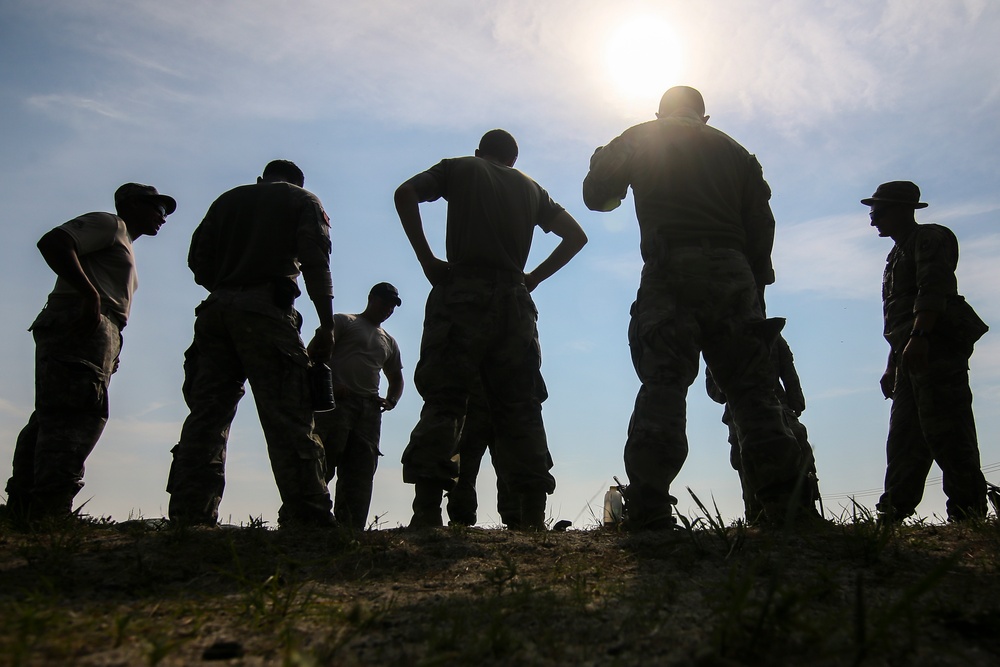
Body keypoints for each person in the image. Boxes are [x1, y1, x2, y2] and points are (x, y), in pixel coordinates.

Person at [583, 86, 813, 529]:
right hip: (735, 272)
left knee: (665, 385)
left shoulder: (640, 136)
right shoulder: (737, 152)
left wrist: (602, 161)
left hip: (672, 270)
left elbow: (599, 198)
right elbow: (762, 226)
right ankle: (786, 508)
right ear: (704, 117)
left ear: (661, 112)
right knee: (753, 393)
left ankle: (649, 508)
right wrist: (756, 288)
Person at [395, 129, 587, 530]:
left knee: (446, 399)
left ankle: (427, 510)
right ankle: (532, 515)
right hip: (515, 302)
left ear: (480, 152)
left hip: (462, 292)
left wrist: (427, 259)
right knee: (522, 408)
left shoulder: (461, 168)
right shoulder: (533, 189)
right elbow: (576, 235)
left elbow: (405, 193)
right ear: (513, 160)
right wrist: (531, 278)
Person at [166, 160, 337, 528]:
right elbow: (315, 260)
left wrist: (230, 284)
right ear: (296, 181)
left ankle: (189, 514)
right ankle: (309, 518)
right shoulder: (302, 200)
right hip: (267, 312)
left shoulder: (227, 201)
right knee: (288, 416)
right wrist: (326, 323)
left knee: (206, 416)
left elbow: (198, 262)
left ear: (262, 179)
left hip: (215, 311)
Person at [5, 183, 175, 524]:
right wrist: (89, 295)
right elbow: (54, 242)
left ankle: (26, 506)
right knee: (77, 414)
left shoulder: (122, 240)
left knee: (53, 415)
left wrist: (111, 345)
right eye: (157, 207)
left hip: (98, 328)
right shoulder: (111, 224)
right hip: (82, 321)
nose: (163, 217)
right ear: (132, 204)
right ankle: (50, 509)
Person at [862, 181, 989, 522]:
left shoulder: (930, 237)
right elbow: (898, 317)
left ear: (903, 210)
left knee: (948, 431)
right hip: (911, 354)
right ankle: (892, 514)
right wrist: (893, 364)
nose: (873, 220)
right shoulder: (896, 254)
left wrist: (920, 336)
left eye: (879, 211)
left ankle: (968, 514)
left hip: (934, 348)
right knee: (904, 438)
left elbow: (933, 289)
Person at [313, 282, 404, 530]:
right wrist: (331, 385)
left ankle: (350, 529)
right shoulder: (344, 321)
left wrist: (391, 400)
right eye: (383, 302)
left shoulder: (389, 341)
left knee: (360, 472)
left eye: (392, 306)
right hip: (337, 403)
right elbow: (315, 354)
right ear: (371, 298)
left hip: (369, 410)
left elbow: (396, 377)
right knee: (321, 461)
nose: (387, 308)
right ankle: (303, 521)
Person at [706, 335, 820, 520]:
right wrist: (732, 386)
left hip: (777, 404)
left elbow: (788, 371)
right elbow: (714, 388)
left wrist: (795, 398)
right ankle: (757, 512)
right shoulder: (720, 338)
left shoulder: (771, 336)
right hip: (739, 409)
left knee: (798, 442)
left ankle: (806, 507)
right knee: (746, 456)